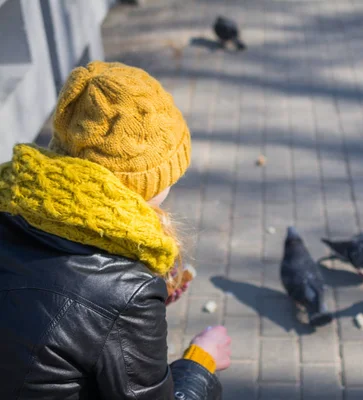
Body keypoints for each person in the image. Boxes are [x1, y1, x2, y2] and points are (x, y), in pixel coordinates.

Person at [0, 61, 230, 399]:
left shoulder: (11, 199)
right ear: (143, 181)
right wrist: (199, 364)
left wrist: (119, 318)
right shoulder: (125, 291)